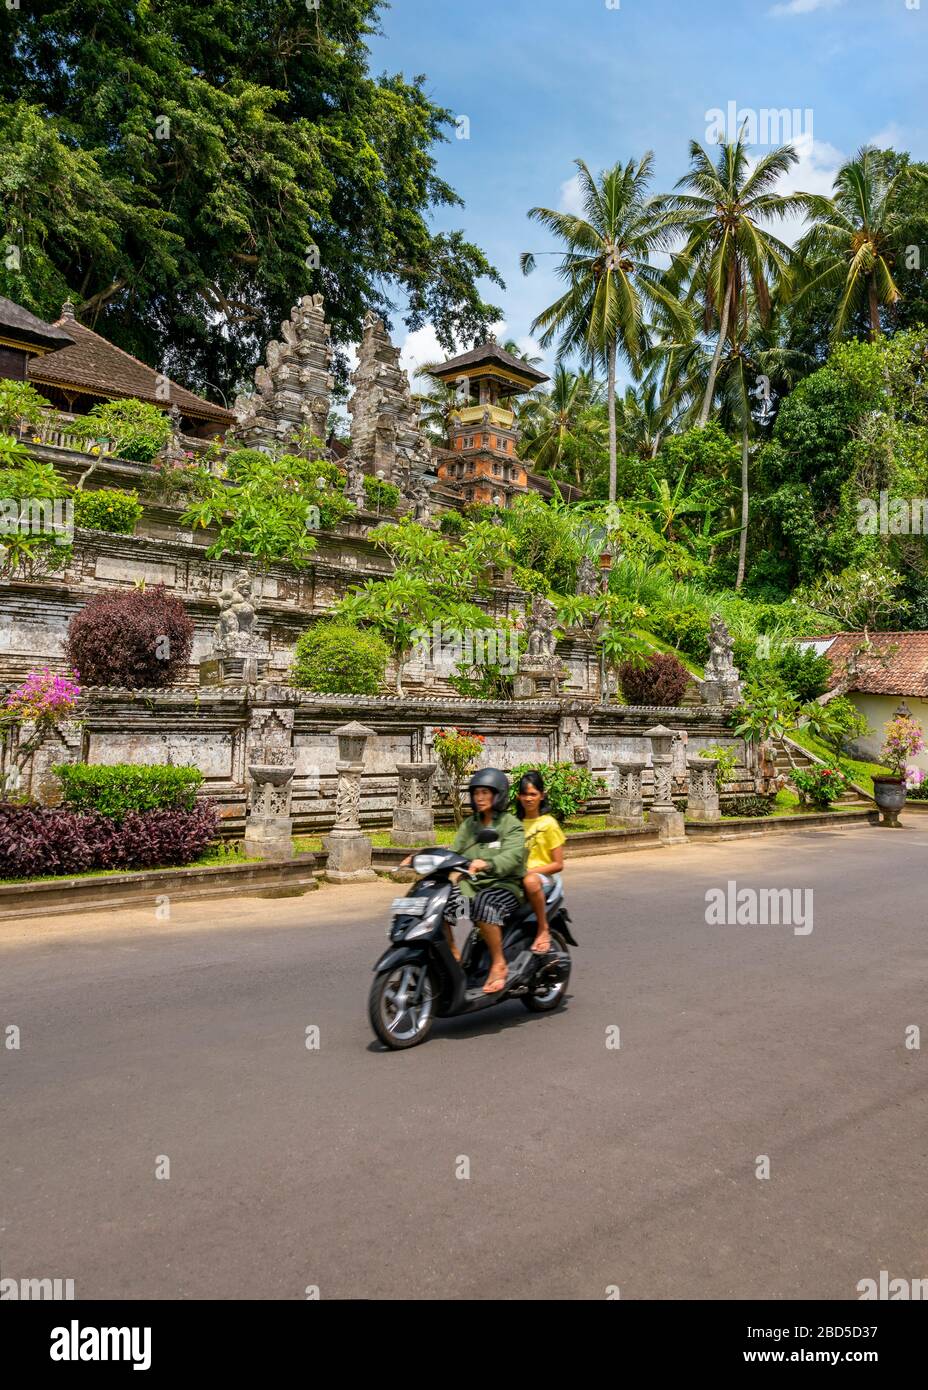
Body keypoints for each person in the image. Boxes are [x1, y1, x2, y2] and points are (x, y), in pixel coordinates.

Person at [446, 768, 526, 994]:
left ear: (498, 794)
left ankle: (499, 964)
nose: (479, 798)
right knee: (440, 901)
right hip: (472, 885)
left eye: (485, 792)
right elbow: (455, 851)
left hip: (505, 885)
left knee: (483, 903)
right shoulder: (470, 825)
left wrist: (487, 863)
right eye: (476, 793)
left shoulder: (510, 824)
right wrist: (424, 858)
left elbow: (512, 857)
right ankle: (453, 953)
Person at [515, 770, 566, 955]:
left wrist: (530, 871)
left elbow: (558, 864)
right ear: (518, 796)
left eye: (533, 794)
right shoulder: (515, 824)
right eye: (525, 794)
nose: (528, 799)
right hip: (517, 878)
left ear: (541, 796)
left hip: (543, 879)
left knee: (530, 881)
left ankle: (543, 928)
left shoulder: (549, 824)